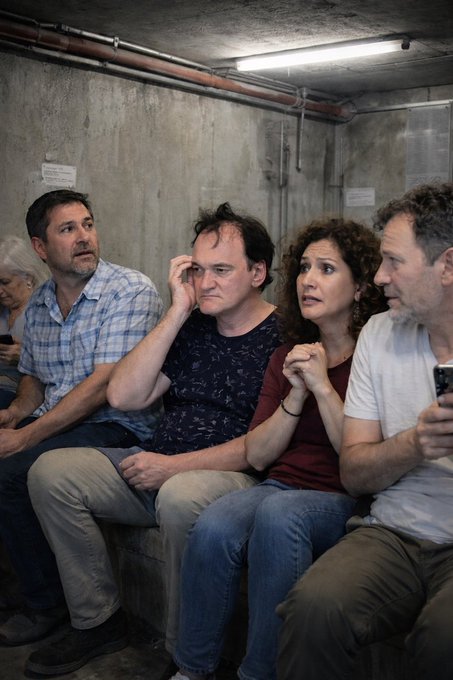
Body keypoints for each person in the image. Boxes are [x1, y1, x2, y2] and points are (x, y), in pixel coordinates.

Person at [26, 202, 281, 676]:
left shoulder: (281, 336)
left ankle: (184, 655)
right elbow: (124, 395)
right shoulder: (195, 325)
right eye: (198, 270)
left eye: (221, 270)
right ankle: (98, 620)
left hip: (229, 480)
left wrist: (172, 468)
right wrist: (178, 310)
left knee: (181, 496)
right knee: (50, 472)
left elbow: (264, 446)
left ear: (257, 272)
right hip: (155, 464)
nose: (206, 282)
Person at [168, 217, 387, 680]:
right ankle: (192, 668)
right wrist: (296, 393)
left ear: (360, 287)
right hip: (280, 484)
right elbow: (261, 456)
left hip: (343, 496)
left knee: (279, 514)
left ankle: (260, 673)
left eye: (326, 269)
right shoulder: (288, 353)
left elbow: (357, 459)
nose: (308, 280)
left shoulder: (374, 355)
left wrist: (323, 386)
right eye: (304, 268)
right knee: (214, 523)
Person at [277, 182, 453, 680]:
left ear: (447, 266)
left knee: (442, 639)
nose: (379, 277)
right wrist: (416, 443)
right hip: (393, 533)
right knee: (313, 608)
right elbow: (354, 473)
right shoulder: (380, 333)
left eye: (393, 261)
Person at [0, 189, 163, 646]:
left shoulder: (129, 290)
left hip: (118, 427)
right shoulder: (39, 304)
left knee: (11, 472)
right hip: (63, 420)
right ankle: (24, 591)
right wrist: (15, 412)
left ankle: (47, 605)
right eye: (68, 229)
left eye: (88, 225)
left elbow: (102, 387)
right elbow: (34, 377)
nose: (84, 237)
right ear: (40, 246)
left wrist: (26, 437)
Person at [0, 235, 48, 408]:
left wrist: (25, 358)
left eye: (5, 282)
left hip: (24, 396)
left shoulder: (46, 310)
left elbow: (63, 368)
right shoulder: (2, 310)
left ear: (28, 277)